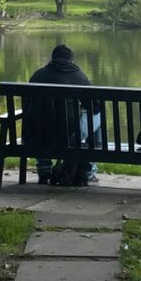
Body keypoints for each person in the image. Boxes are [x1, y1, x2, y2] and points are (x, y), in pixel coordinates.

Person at [23, 43, 101, 185]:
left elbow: (28, 106)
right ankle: (90, 171)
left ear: (52, 59)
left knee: (40, 124)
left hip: (37, 134)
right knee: (97, 115)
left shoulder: (38, 75)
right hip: (67, 135)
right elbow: (94, 106)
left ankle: (44, 172)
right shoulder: (79, 77)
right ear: (71, 60)